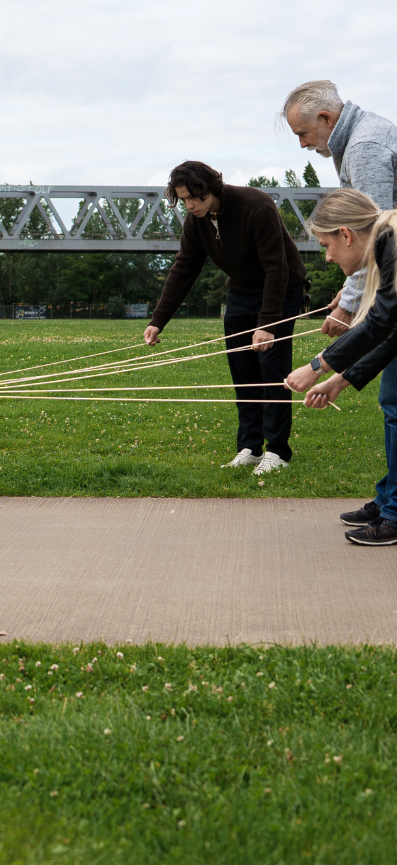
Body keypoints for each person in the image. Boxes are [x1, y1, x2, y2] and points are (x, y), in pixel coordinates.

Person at [144, 161, 307, 475]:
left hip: (281, 291)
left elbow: (277, 267)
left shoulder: (256, 206)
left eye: (196, 197)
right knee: (243, 374)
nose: (190, 205)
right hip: (241, 293)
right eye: (183, 199)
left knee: (272, 373)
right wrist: (157, 320)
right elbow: (183, 269)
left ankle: (277, 452)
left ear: (212, 188)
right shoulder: (196, 222)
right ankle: (249, 447)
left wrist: (268, 324)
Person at [286, 189, 397, 545]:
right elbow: (394, 334)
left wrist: (317, 366)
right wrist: (340, 380)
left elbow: (380, 324)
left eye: (326, 246)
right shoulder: (388, 244)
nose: (329, 258)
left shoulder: (392, 245)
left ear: (346, 235)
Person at [282, 80, 397, 336]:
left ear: (326, 119)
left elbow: (372, 234)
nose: (302, 144)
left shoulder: (364, 147)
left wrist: (348, 307)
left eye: (303, 133)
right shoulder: (363, 133)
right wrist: (350, 289)